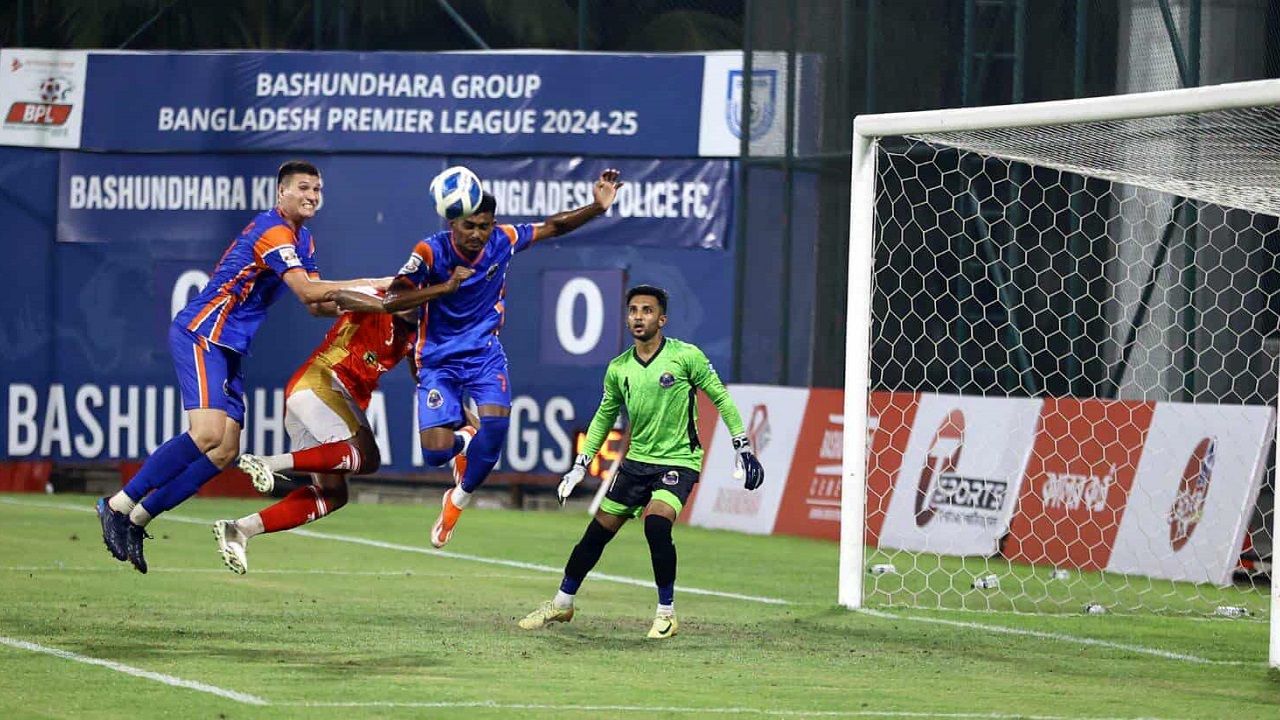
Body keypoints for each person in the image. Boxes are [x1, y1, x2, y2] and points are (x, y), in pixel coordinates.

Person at [96, 160, 390, 574]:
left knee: (224, 452)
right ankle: (117, 505)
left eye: (317, 190)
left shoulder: (303, 240)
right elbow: (307, 290)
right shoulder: (273, 231)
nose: (311, 196)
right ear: (281, 192)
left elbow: (318, 306)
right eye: (303, 188)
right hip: (203, 334)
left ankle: (138, 520)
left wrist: (380, 303)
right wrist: (378, 284)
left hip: (229, 347)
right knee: (207, 434)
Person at [335, 168, 623, 549]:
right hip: (437, 359)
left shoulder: (503, 240)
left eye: (484, 226)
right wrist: (444, 287)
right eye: (469, 226)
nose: (476, 234)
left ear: (493, 224)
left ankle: (458, 501)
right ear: (452, 222)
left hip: (484, 354)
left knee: (497, 427)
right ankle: (464, 439)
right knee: (436, 452)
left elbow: (554, 226)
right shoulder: (429, 252)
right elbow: (393, 300)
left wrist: (597, 208)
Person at [518, 285, 765, 639]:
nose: (638, 317)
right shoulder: (619, 368)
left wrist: (742, 446)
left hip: (679, 460)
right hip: (636, 463)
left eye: (647, 311)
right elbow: (604, 416)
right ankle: (562, 603)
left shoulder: (686, 356)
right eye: (633, 310)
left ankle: (666, 614)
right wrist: (580, 465)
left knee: (657, 524)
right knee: (596, 534)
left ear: (661, 319)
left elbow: (721, 399)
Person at [213, 272, 474, 574]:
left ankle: (240, 530)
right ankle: (270, 463)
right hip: (322, 383)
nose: (413, 303)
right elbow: (341, 297)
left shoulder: (416, 333)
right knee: (367, 456)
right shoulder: (379, 297)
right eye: (410, 295)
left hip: (321, 403)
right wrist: (387, 303)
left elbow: (424, 378)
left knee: (333, 495)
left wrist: (466, 417)